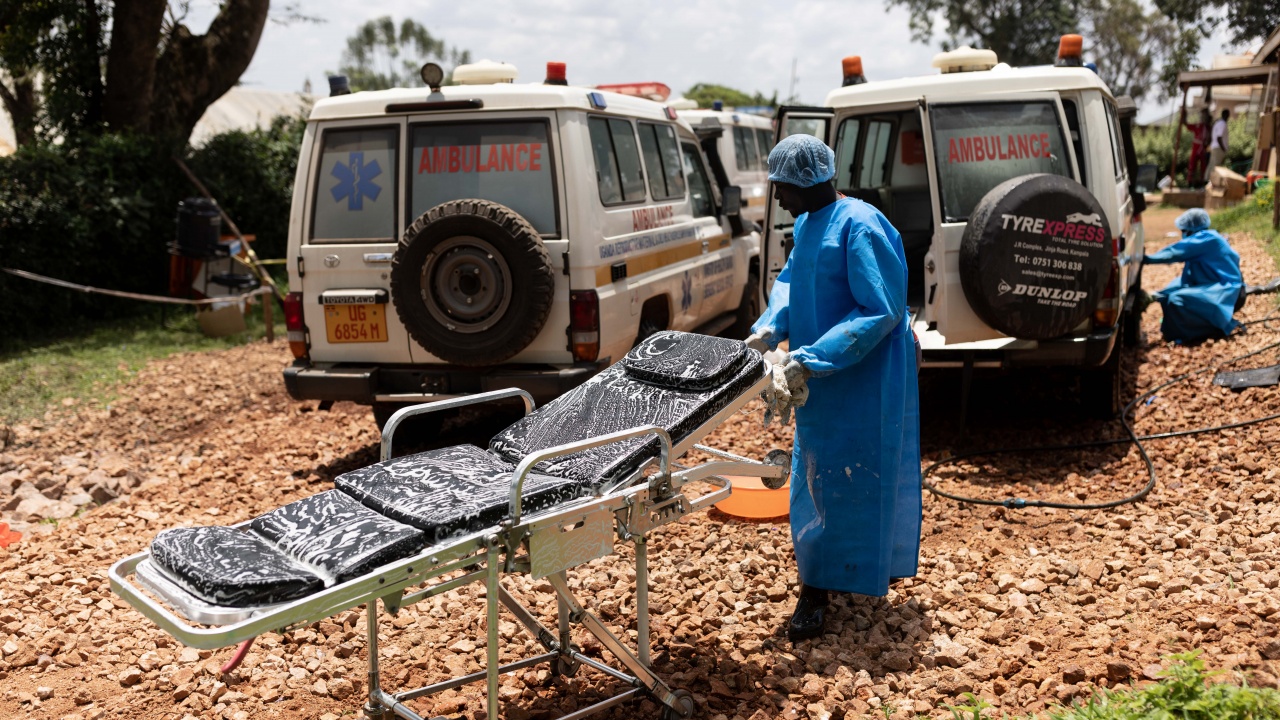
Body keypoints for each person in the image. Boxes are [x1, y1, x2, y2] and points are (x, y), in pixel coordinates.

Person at [743, 133, 921, 643]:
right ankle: (817, 582)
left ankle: (863, 565)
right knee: (816, 474)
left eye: (782, 187)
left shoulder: (860, 226)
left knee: (866, 466)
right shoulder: (807, 222)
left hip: (865, 375)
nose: (778, 197)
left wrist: (809, 358)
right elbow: (793, 282)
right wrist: (771, 326)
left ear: (808, 180)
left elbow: (880, 310)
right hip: (819, 377)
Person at [1144, 208, 1243, 343]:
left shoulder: (1207, 239)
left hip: (1228, 291)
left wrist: (1147, 259)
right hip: (1214, 285)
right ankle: (1178, 331)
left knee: (1176, 300)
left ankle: (1206, 331)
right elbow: (1186, 280)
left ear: (1191, 230)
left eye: (1183, 231)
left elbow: (1175, 252)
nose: (1182, 235)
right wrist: (1156, 295)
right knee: (1170, 292)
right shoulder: (1205, 239)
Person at [1180, 107, 1211, 186]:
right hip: (1196, 148)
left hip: (1203, 149)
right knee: (1192, 164)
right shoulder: (1198, 126)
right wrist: (1184, 115)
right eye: (1202, 115)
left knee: (1203, 166)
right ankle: (1190, 182)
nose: (1203, 117)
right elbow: (1187, 124)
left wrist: (1207, 144)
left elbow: (1210, 138)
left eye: (1205, 115)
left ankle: (1202, 183)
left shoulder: (1209, 128)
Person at [1208, 108, 1230, 176]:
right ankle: (1210, 182)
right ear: (1226, 115)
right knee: (1216, 166)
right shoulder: (1222, 124)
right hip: (1218, 148)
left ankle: (1206, 181)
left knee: (1212, 165)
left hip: (1215, 147)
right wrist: (1224, 149)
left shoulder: (1218, 123)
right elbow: (1219, 137)